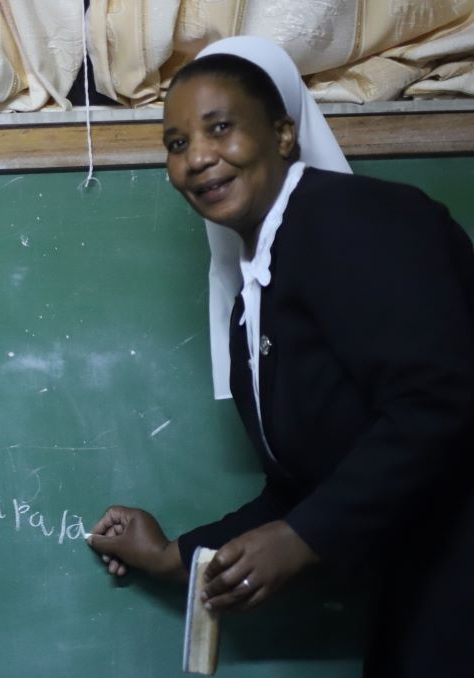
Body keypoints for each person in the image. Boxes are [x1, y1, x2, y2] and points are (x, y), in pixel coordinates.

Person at [87, 36, 474, 677]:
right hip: (425, 582)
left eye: (220, 129)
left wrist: (302, 540)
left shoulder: (361, 222)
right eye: (177, 143)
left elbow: (441, 400)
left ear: (283, 134)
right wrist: (175, 556)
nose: (197, 158)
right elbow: (307, 483)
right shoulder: (257, 293)